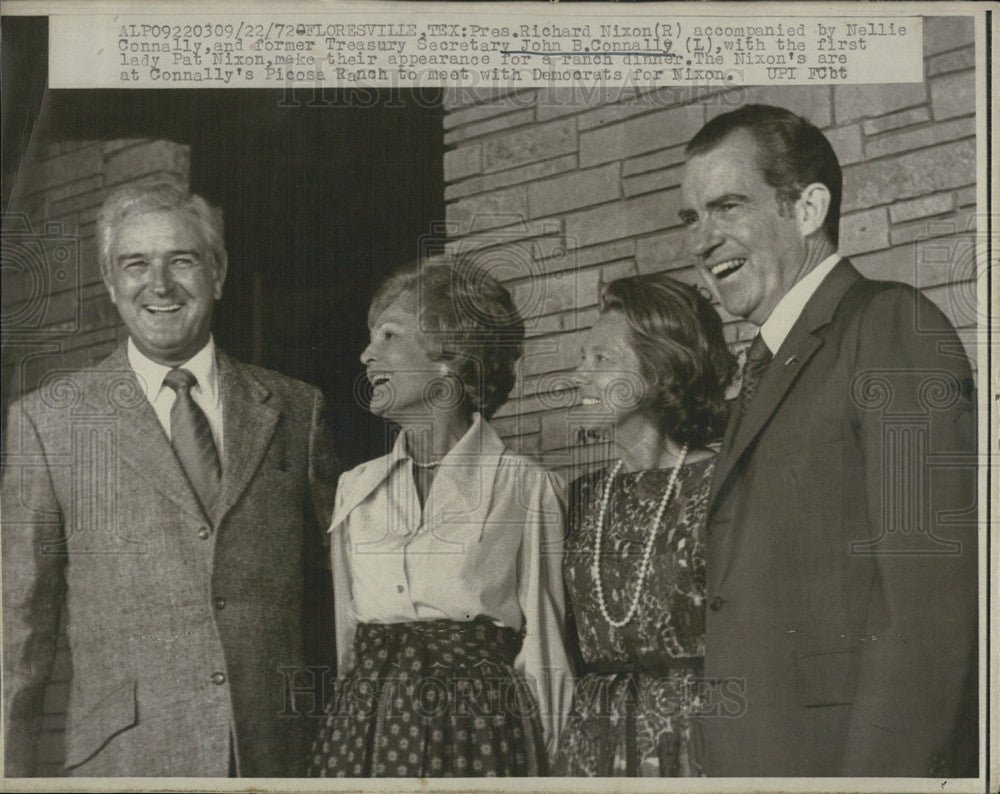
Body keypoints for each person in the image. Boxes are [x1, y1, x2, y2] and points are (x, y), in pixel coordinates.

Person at [678, 104, 977, 776]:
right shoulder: (764, 367)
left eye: (727, 206)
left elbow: (929, 612)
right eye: (690, 219)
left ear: (808, 208)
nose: (701, 240)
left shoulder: (889, 326)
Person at [1, 183, 338, 777]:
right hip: (126, 763)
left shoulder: (296, 410)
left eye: (181, 260)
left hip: (277, 758)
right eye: (136, 265)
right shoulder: (47, 423)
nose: (159, 285)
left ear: (218, 272)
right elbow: (17, 633)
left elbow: (335, 604)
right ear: (110, 283)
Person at [307, 259, 573, 777]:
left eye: (388, 335)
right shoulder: (354, 490)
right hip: (364, 737)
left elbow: (547, 657)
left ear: (449, 358)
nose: (366, 354)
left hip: (481, 739)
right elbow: (347, 651)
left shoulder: (524, 487)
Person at [553, 273, 734, 776]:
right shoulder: (582, 495)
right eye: (582, 358)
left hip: (697, 737)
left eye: (601, 360)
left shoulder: (724, 482)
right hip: (594, 741)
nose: (579, 374)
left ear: (659, 371)